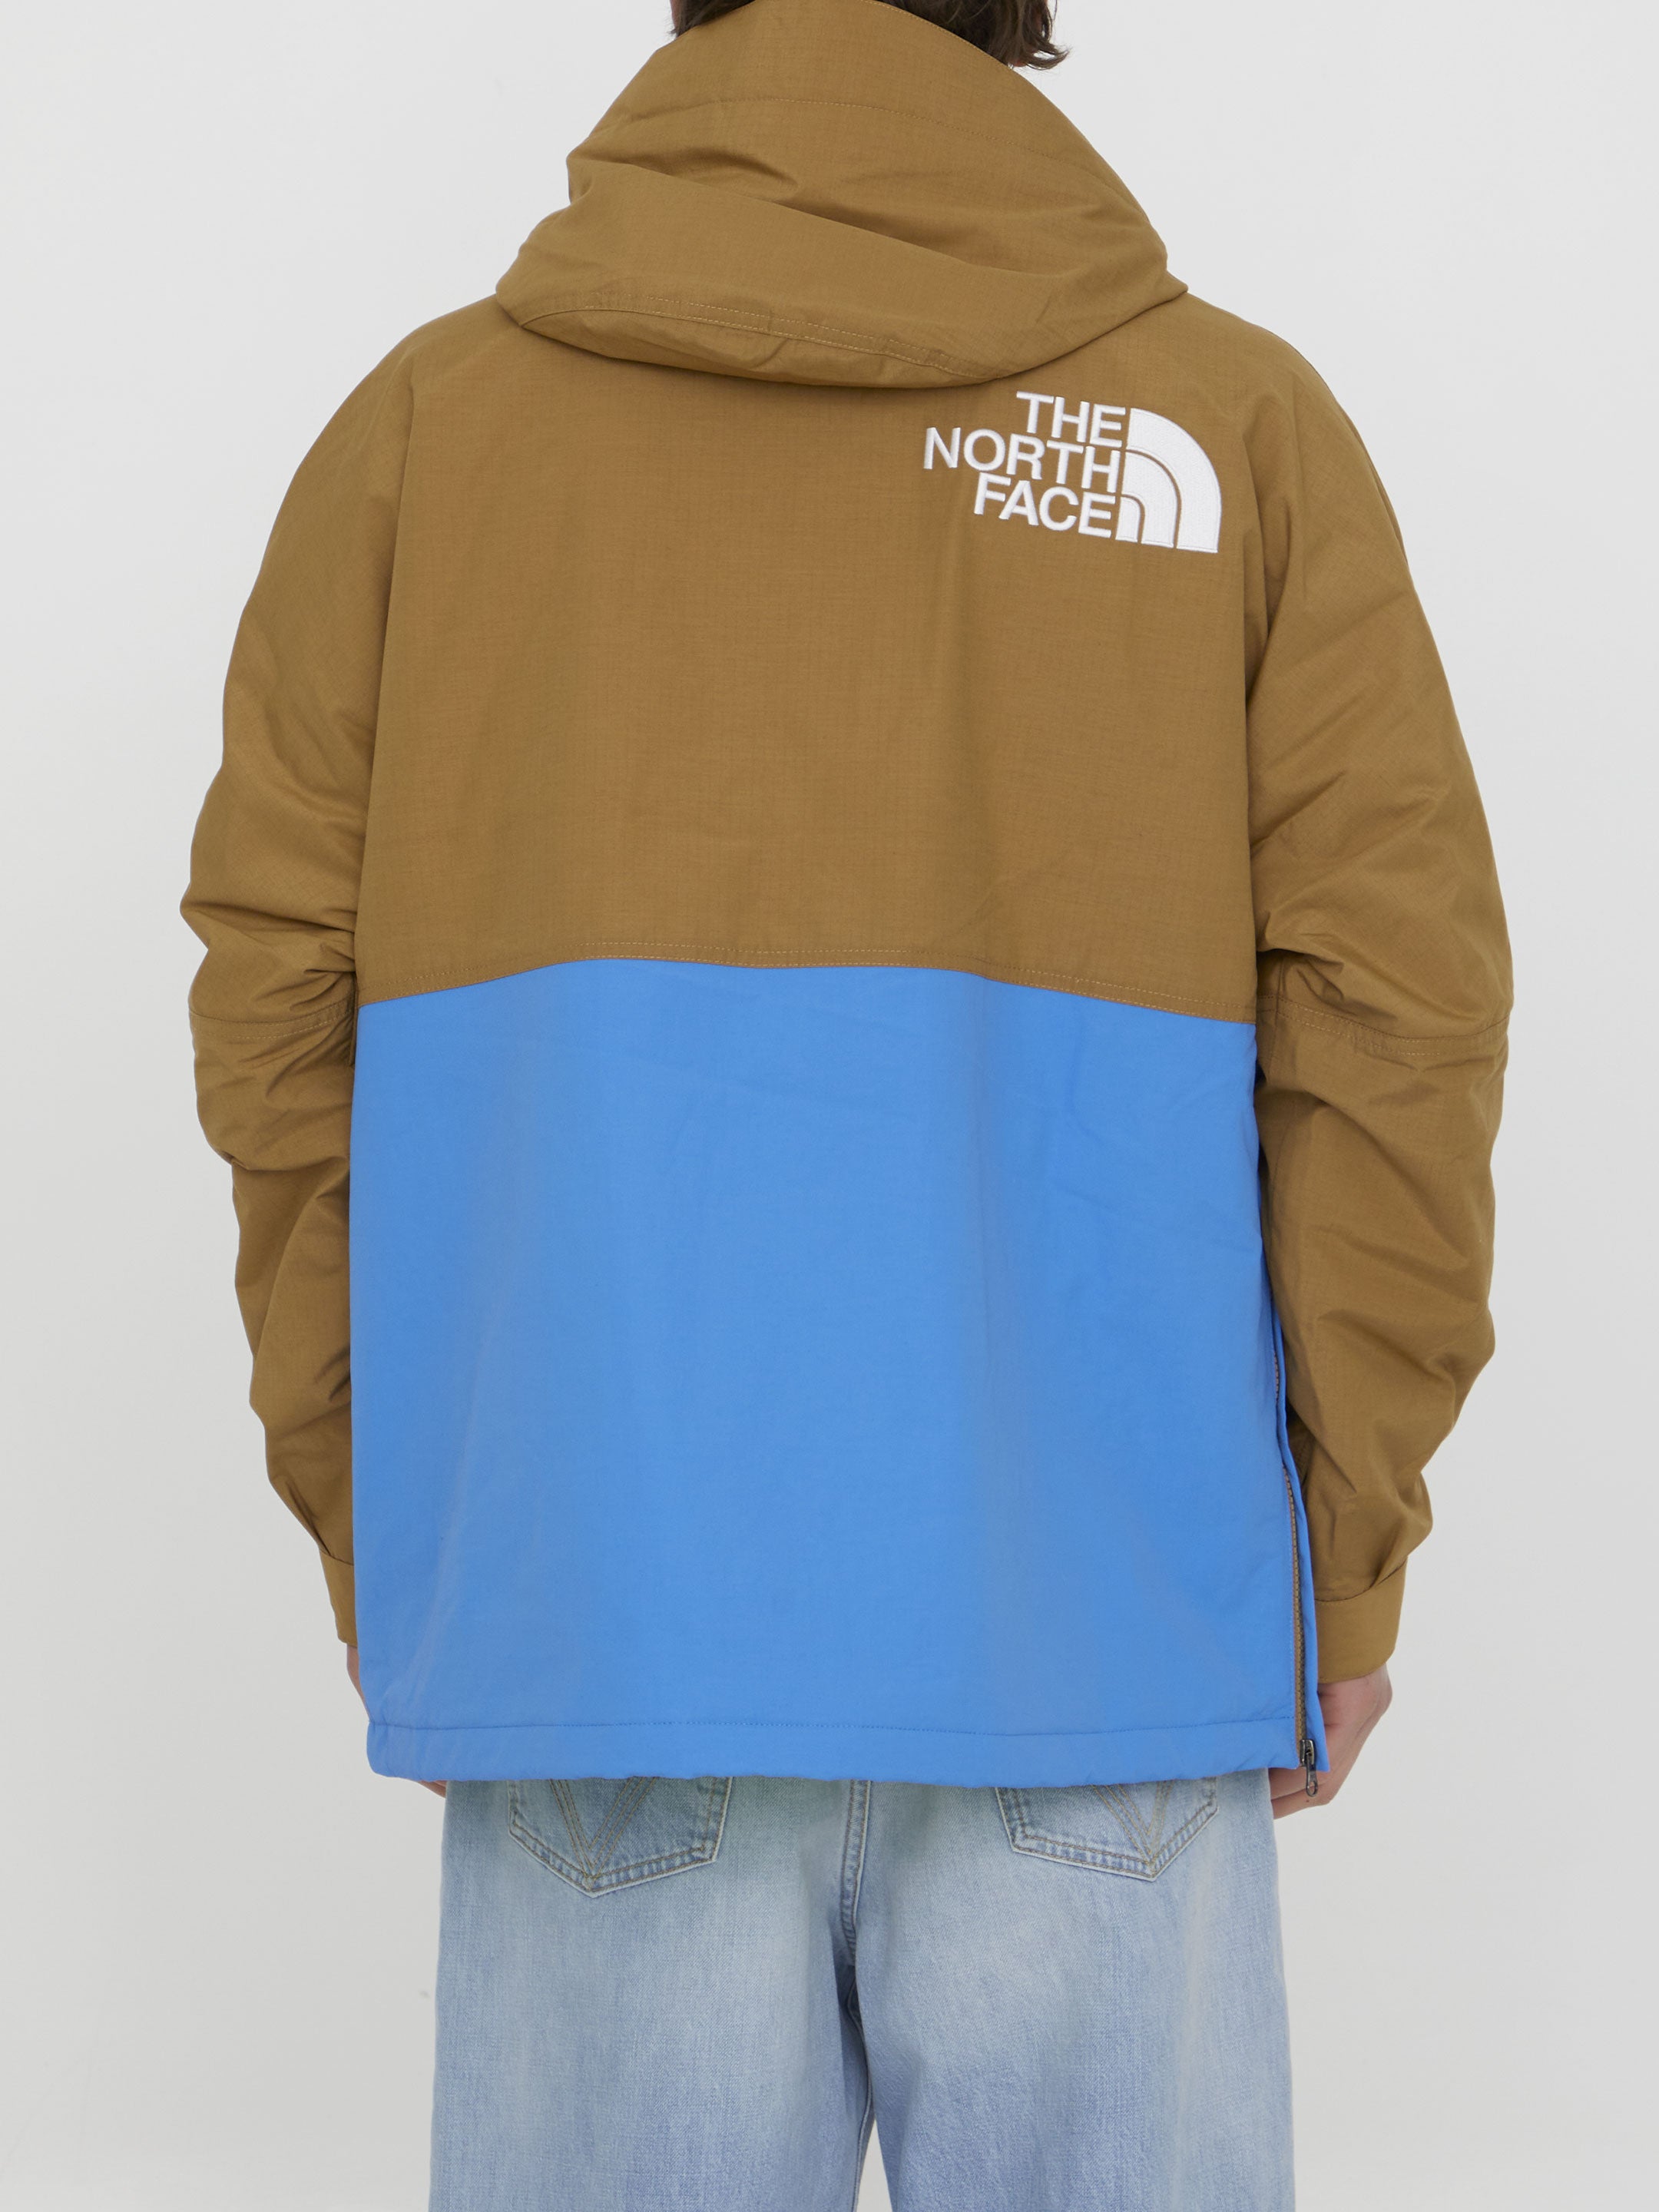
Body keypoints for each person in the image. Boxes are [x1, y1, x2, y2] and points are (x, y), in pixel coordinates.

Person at [183, 0, 1510, 2204]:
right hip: (1107, 1630)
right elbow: (1399, 1022)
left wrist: (408, 1540)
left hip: (605, 1611)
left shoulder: (427, 436)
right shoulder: (1229, 429)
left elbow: (278, 1022)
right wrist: (1343, 1562)